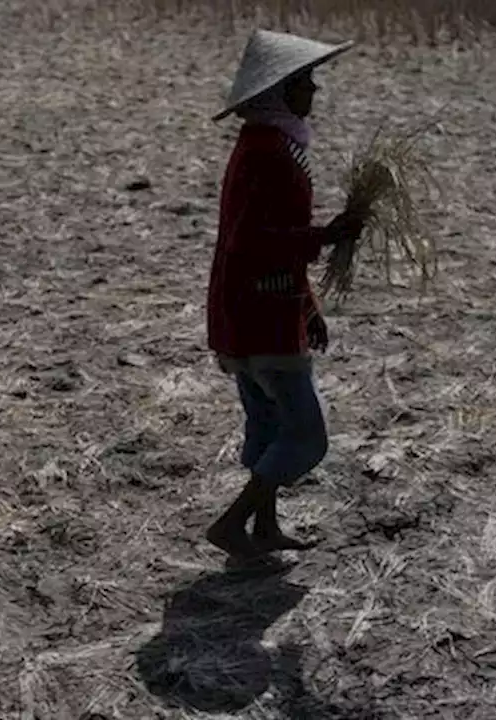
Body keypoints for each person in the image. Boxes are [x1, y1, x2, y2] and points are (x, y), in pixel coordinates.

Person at [205, 29, 365, 560]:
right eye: (305, 82)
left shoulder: (266, 144)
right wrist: (327, 236)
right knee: (304, 436)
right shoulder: (268, 153)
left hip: (254, 306)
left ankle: (265, 530)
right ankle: (233, 523)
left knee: (268, 422)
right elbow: (253, 241)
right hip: (261, 314)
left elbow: (259, 237)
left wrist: (309, 305)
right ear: (280, 93)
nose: (315, 91)